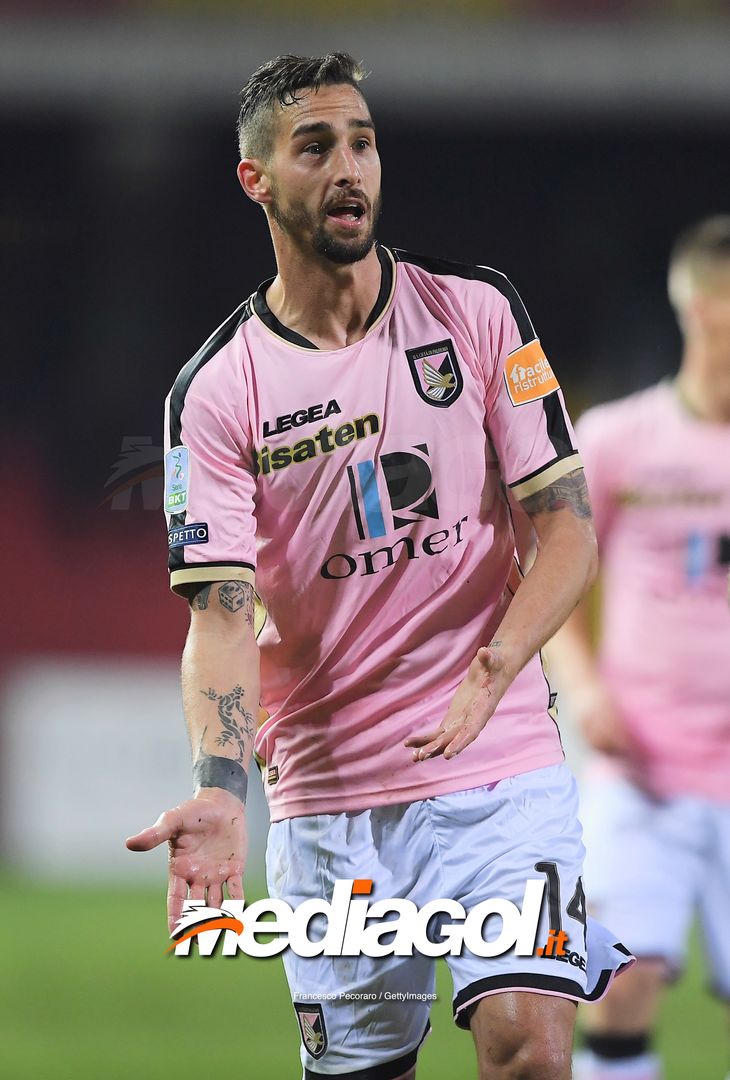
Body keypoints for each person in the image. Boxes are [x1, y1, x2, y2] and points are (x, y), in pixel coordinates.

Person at [126, 53, 631, 1080]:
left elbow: (565, 525)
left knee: (529, 1049)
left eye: (361, 140)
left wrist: (494, 669)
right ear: (255, 180)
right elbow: (221, 614)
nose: (349, 165)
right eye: (314, 147)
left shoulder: (477, 313)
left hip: (500, 773)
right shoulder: (218, 392)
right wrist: (221, 789)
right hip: (331, 796)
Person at [547, 216, 730, 1080]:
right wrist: (584, 694)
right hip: (644, 768)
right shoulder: (619, 439)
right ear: (702, 306)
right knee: (620, 986)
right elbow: (548, 582)